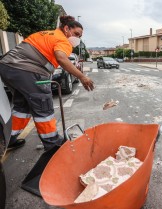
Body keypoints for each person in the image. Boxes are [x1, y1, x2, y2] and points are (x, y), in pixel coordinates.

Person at [0, 15, 94, 151]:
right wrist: (82, 77)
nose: (77, 38)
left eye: (79, 36)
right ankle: (53, 144)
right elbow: (61, 58)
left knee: (23, 107)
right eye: (76, 34)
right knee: (43, 105)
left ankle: (9, 138)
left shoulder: (47, 33)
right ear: (66, 28)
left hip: (8, 67)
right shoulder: (63, 40)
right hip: (27, 69)